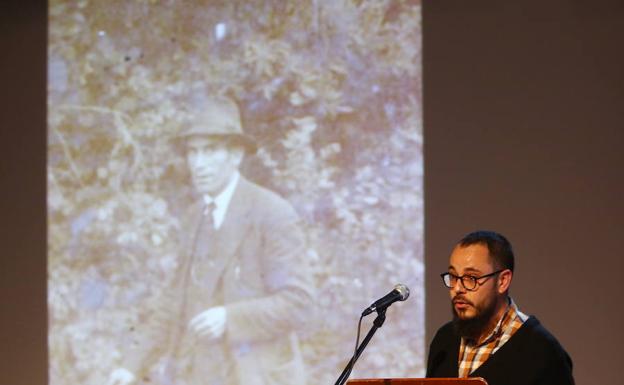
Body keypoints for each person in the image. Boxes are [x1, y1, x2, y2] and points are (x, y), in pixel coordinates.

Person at [109, 95, 315, 385]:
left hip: (254, 376)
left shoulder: (271, 213)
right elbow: (173, 303)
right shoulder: (194, 217)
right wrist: (131, 366)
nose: (198, 164)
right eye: (193, 152)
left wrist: (230, 319)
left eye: (210, 151)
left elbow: (299, 304)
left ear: (236, 155)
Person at [426, 230, 574, 385]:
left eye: (471, 278)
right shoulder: (444, 340)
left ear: (503, 281)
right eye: (453, 276)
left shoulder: (542, 352)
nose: (457, 288)